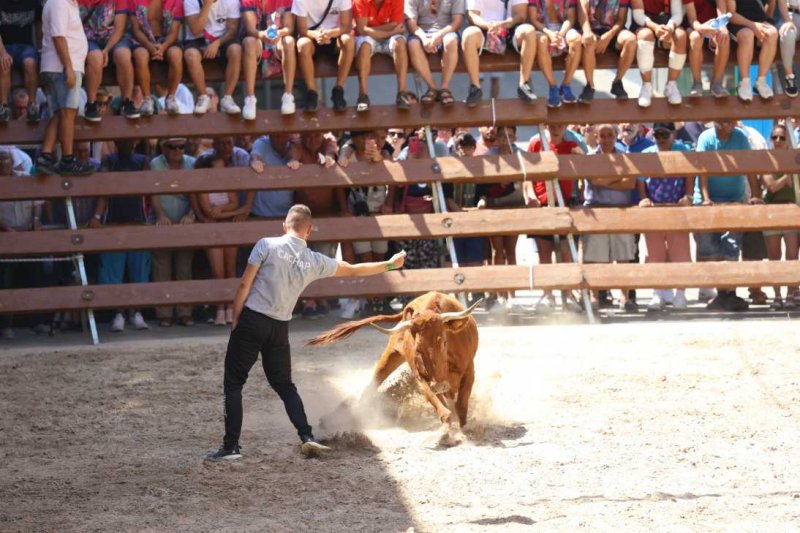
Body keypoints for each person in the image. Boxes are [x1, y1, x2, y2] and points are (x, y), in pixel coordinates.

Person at [206, 204, 407, 460]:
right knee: (285, 385)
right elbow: (354, 269)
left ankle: (230, 446)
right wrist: (389, 265)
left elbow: (245, 282)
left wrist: (235, 316)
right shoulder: (314, 261)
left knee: (233, 384)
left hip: (253, 320)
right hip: (279, 327)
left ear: (284, 225)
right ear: (309, 230)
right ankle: (306, 436)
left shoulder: (266, 245)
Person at [693, 120, 762, 311]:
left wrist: (756, 195)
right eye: (721, 121)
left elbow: (749, 167)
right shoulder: (706, 138)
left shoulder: (740, 137)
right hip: (709, 198)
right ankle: (722, 293)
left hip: (734, 197)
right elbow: (702, 171)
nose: (725, 125)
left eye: (728, 121)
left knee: (731, 246)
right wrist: (706, 198)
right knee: (709, 249)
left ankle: (729, 292)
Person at [88, 140, 152, 331]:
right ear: (115, 142)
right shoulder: (109, 160)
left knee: (139, 273)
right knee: (112, 274)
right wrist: (97, 216)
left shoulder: (143, 160)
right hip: (114, 223)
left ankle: (136, 312)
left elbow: (151, 192)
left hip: (138, 222)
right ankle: (118, 313)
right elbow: (104, 191)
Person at [525, 123, 583, 313]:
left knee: (566, 253)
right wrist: (530, 194)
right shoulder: (535, 144)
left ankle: (568, 294)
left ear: (565, 127)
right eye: (552, 126)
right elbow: (528, 175)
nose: (555, 129)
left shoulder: (570, 146)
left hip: (564, 204)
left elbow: (582, 168)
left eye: (559, 126)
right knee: (544, 254)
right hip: (542, 204)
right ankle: (548, 294)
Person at [636, 122, 691, 310]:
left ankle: (681, 293)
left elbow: (689, 175)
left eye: (664, 136)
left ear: (672, 135)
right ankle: (658, 293)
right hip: (655, 207)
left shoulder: (682, 150)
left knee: (681, 252)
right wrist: (643, 198)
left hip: (676, 206)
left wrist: (688, 195)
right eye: (657, 136)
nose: (660, 140)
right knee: (655, 252)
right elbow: (641, 181)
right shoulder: (647, 154)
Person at [583, 124, 638, 311]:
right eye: (602, 136)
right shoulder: (590, 158)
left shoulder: (625, 156)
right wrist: (617, 178)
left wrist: (604, 181)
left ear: (615, 136)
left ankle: (625, 298)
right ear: (596, 137)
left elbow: (630, 182)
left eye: (610, 135)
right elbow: (592, 180)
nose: (606, 139)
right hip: (596, 211)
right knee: (594, 257)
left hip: (619, 210)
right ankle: (594, 298)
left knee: (623, 256)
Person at [37, 0, 94, 177]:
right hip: (62, 67)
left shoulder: (68, 3)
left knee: (60, 114)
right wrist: (68, 67)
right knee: (68, 113)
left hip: (60, 67)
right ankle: (67, 160)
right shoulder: (59, 2)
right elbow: (58, 36)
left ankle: (45, 156)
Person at [149, 138, 197, 327]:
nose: (177, 150)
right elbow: (153, 193)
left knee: (184, 267)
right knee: (162, 267)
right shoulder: (155, 164)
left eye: (181, 147)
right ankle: (164, 313)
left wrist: (191, 215)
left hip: (185, 220)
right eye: (172, 147)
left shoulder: (192, 163)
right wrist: (160, 215)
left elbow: (198, 193)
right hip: (163, 221)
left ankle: (185, 312)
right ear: (164, 148)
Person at [195, 153, 244, 326]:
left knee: (230, 269)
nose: (221, 172)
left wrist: (224, 209)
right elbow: (209, 211)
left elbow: (234, 204)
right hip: (213, 231)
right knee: (218, 272)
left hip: (229, 229)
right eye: (217, 169)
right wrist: (234, 212)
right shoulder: (203, 187)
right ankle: (219, 310)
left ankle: (231, 309)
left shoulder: (227, 183)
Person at [462, 0, 537, 106]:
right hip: (484, 28)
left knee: (528, 31)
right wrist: (489, 26)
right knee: (468, 34)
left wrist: (503, 24)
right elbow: (472, 15)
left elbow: (520, 15)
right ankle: (475, 88)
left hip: (510, 28)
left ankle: (524, 85)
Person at [79, 0, 140, 120]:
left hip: (113, 38)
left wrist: (106, 50)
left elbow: (119, 28)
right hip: (86, 39)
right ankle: (91, 103)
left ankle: (126, 101)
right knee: (95, 58)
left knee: (123, 55)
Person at [761, 124, 799, 308]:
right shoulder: (767, 160)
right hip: (771, 212)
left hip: (790, 211)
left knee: (792, 256)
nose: (777, 141)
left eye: (782, 138)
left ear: (787, 141)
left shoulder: (794, 159)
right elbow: (772, 186)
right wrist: (788, 176)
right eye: (774, 137)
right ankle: (777, 296)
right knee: (774, 256)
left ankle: (791, 295)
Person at [294, 0, 355, 111]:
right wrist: (317, 35)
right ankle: (311, 93)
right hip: (311, 36)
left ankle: (338, 89)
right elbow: (302, 29)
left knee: (348, 40)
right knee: (302, 45)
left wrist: (330, 33)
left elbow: (346, 27)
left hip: (335, 35)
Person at [183, 0, 243, 115]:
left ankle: (228, 98)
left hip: (223, 38)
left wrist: (217, 44)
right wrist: (207, 5)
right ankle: (203, 97)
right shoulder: (190, 1)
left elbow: (232, 29)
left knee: (236, 50)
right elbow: (195, 30)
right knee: (190, 55)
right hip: (198, 39)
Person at [353, 0, 412, 111]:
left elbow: (397, 25)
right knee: (364, 45)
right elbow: (361, 30)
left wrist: (370, 29)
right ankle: (363, 96)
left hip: (387, 37)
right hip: (370, 38)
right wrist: (390, 31)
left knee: (400, 43)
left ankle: (402, 93)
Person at [128, 0, 186, 115]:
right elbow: (136, 29)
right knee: (140, 55)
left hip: (166, 40)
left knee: (176, 54)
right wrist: (149, 45)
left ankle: (170, 97)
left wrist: (163, 47)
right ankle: (147, 99)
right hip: (143, 40)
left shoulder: (176, 2)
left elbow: (174, 31)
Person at [241, 0, 297, 117]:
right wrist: (262, 35)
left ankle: (288, 96)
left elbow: (289, 28)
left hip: (277, 40)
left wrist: (278, 33)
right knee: (249, 41)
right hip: (257, 40)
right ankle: (250, 98)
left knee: (289, 41)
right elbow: (250, 29)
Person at [405, 0, 465, 107]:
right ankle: (432, 87)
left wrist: (439, 35)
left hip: (446, 31)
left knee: (450, 41)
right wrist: (424, 38)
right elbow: (411, 24)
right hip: (421, 32)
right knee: (413, 44)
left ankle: (444, 88)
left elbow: (457, 22)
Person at [630, 0, 687, 107]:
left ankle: (671, 85)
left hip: (667, 24)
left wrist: (670, 27)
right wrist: (655, 27)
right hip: (644, 23)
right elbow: (638, 15)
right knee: (645, 36)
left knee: (680, 36)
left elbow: (677, 14)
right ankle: (646, 86)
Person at [578, 0, 637, 102]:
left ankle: (617, 82)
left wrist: (609, 35)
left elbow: (621, 20)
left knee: (631, 40)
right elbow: (582, 13)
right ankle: (589, 86)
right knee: (589, 42)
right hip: (592, 30)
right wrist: (588, 32)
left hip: (612, 31)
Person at [529, 0, 584, 108]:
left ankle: (566, 85)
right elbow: (533, 19)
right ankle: (553, 86)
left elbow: (570, 19)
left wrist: (560, 34)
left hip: (563, 29)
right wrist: (549, 33)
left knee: (576, 39)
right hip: (542, 29)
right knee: (542, 41)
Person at [727, 0, 777, 101]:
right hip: (738, 23)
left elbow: (771, 3)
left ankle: (761, 81)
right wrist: (753, 25)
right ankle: (744, 82)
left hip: (758, 22)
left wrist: (768, 20)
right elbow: (731, 14)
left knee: (772, 33)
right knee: (748, 34)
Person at [0, 0, 41, 123]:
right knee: (4, 65)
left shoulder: (34, 3)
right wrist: (2, 53)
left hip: (25, 46)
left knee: (30, 63)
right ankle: (3, 107)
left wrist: (40, 48)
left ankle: (32, 105)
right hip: (5, 46)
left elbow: (40, 23)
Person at [685, 0, 730, 98]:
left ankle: (716, 84)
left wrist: (722, 27)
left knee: (724, 38)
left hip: (714, 25)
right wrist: (702, 28)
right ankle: (697, 83)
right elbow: (692, 20)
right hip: (695, 26)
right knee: (695, 38)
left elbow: (721, 11)